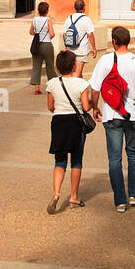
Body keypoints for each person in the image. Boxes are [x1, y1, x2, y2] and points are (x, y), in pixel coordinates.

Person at [89, 26, 135, 212]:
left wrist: (95, 107)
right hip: (134, 114)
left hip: (112, 114)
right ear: (129, 41)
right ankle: (134, 194)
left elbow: (95, 88)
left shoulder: (105, 60)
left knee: (114, 158)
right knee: (134, 153)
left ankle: (120, 201)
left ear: (114, 41)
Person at [45, 49, 91, 214]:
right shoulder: (81, 84)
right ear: (74, 66)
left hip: (59, 122)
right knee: (76, 160)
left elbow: (50, 106)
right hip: (75, 123)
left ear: (58, 67)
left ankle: (56, 192)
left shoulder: (52, 83)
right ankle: (73, 197)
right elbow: (86, 107)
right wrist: (92, 104)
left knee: (60, 160)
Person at [60, 0, 97, 75]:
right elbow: (90, 35)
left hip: (70, 49)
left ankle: (83, 87)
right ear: (84, 8)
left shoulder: (69, 18)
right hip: (81, 50)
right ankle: (72, 87)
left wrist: (66, 46)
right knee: (77, 73)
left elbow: (64, 34)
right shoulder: (86, 19)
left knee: (78, 73)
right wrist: (94, 48)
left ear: (75, 8)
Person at [28, 1, 56, 94]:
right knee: (50, 66)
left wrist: (37, 35)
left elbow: (31, 32)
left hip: (37, 44)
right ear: (47, 10)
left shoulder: (34, 20)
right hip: (47, 44)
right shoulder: (48, 20)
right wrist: (47, 36)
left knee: (36, 66)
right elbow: (52, 34)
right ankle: (51, 87)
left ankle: (36, 88)